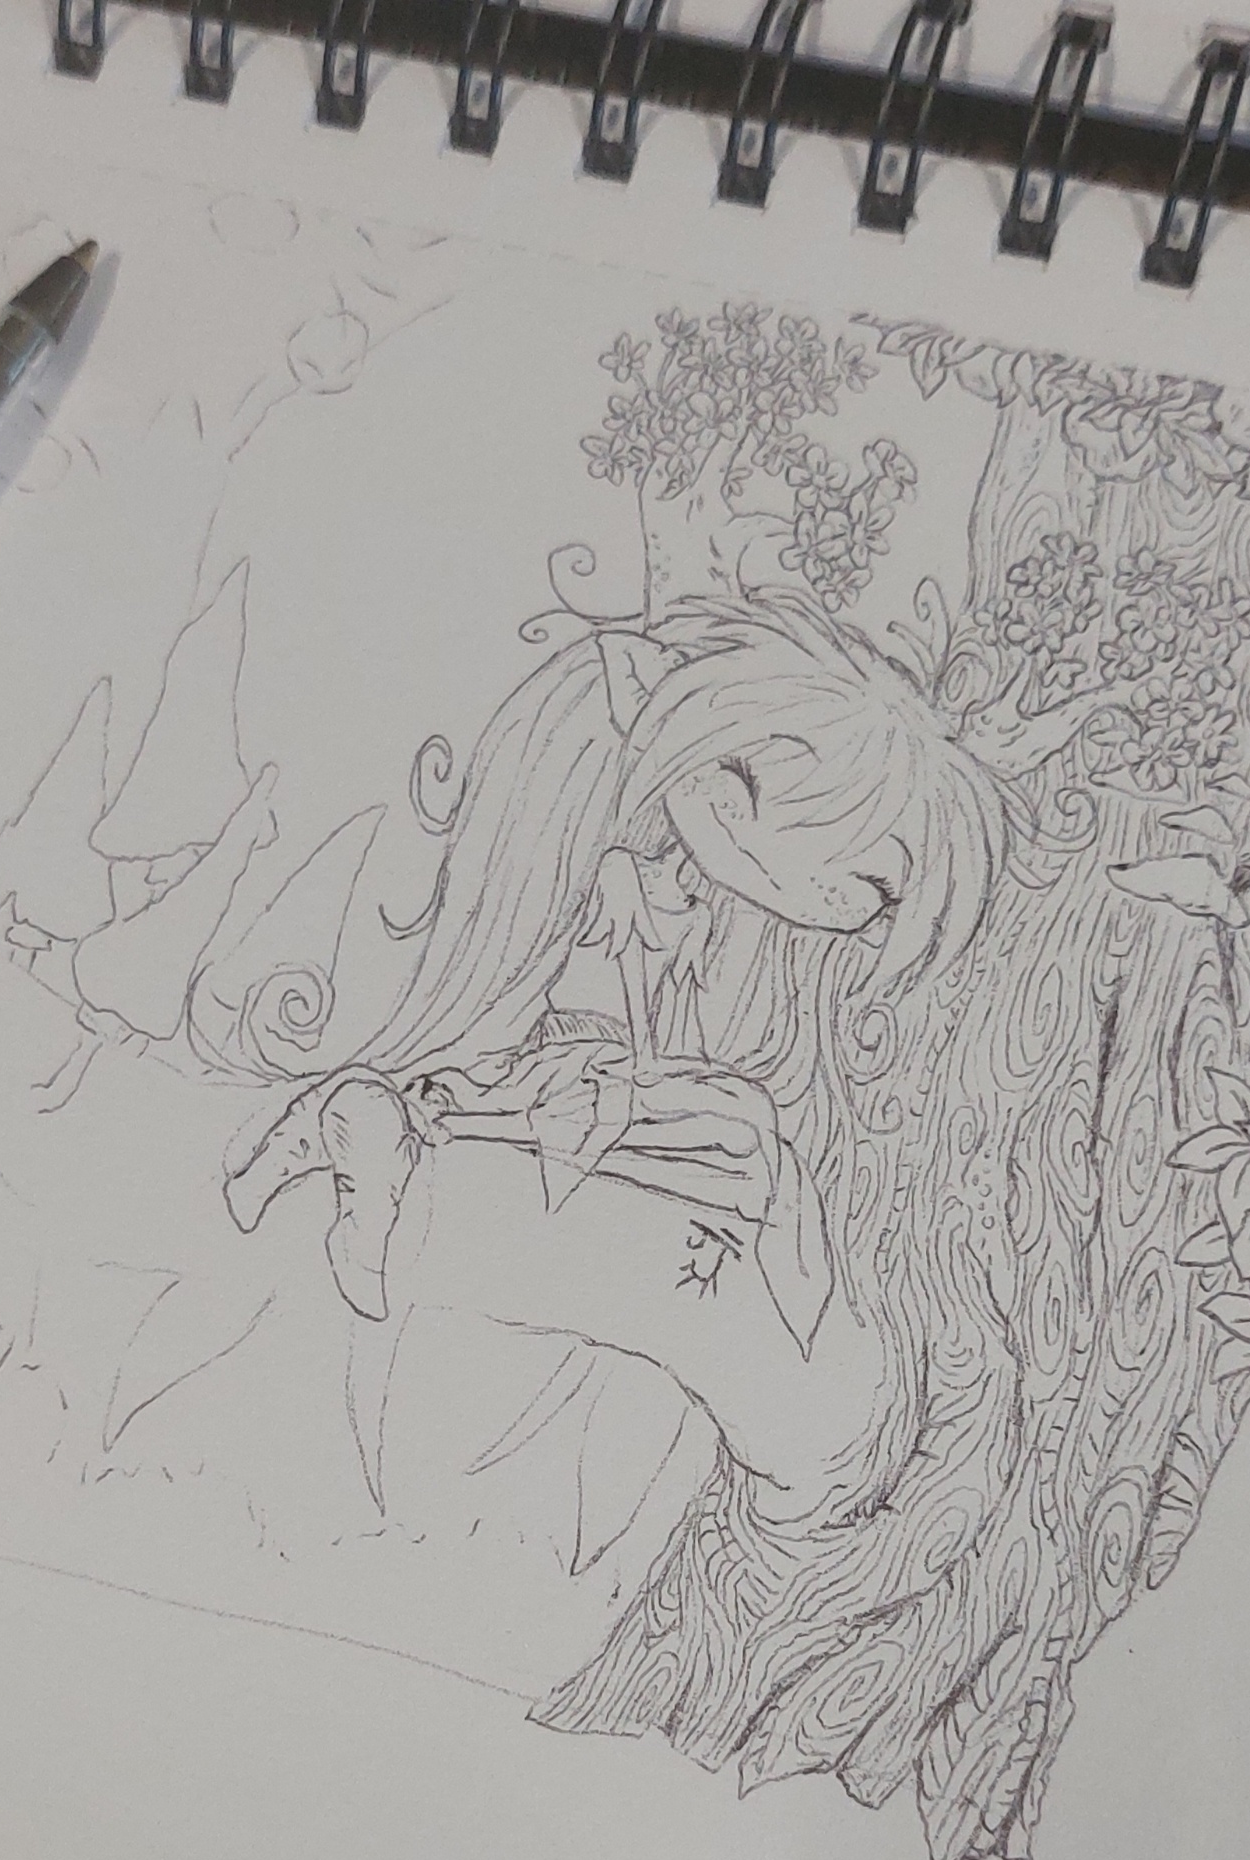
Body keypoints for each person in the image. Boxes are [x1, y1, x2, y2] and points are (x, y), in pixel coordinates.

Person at [223, 592, 1009, 1506]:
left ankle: (358, 1137)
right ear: (744, 794)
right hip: (555, 1083)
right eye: (873, 886)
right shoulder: (615, 833)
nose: (863, 918)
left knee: (733, 1154)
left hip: (568, 1081)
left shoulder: (658, 850)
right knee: (703, 1180)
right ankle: (373, 1149)